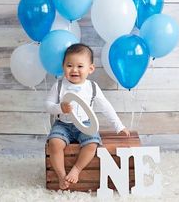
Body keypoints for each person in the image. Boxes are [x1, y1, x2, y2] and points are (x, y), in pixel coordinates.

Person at [45, 43, 130, 190]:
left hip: (85, 124)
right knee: (54, 144)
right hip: (63, 124)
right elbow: (47, 105)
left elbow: (106, 107)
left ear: (90, 69)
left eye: (80, 66)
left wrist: (119, 126)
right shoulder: (59, 86)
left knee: (92, 144)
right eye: (69, 65)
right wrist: (60, 108)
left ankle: (77, 169)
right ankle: (61, 175)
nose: (74, 70)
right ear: (63, 67)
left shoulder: (92, 87)